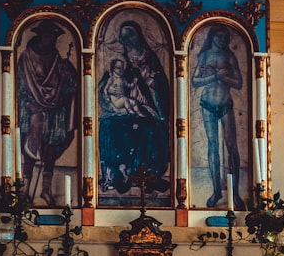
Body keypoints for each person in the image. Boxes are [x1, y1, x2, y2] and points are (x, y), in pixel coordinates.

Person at [97, 20, 170, 197]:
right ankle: (118, 175)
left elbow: (162, 88)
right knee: (108, 126)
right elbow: (107, 88)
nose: (126, 39)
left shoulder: (150, 58)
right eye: (123, 36)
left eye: (130, 35)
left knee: (150, 130)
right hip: (124, 108)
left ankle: (147, 176)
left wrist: (150, 83)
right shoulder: (121, 62)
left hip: (147, 107)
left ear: (138, 36)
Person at [16, 19, 79, 207]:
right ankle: (25, 190)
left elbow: (71, 87)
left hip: (56, 111)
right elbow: (19, 86)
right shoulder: (26, 59)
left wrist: (68, 77)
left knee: (51, 147)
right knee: (30, 147)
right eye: (47, 35)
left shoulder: (60, 62)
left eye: (53, 37)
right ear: (40, 36)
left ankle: (45, 189)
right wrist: (29, 104)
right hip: (33, 111)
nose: (50, 40)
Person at [192, 23, 244, 209]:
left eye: (225, 38)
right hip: (207, 105)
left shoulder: (229, 56)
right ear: (212, 37)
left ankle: (235, 193)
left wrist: (223, 76)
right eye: (218, 37)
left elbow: (238, 82)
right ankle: (216, 191)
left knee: (232, 147)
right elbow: (195, 81)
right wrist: (214, 77)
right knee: (213, 147)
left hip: (225, 104)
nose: (222, 41)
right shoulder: (204, 56)